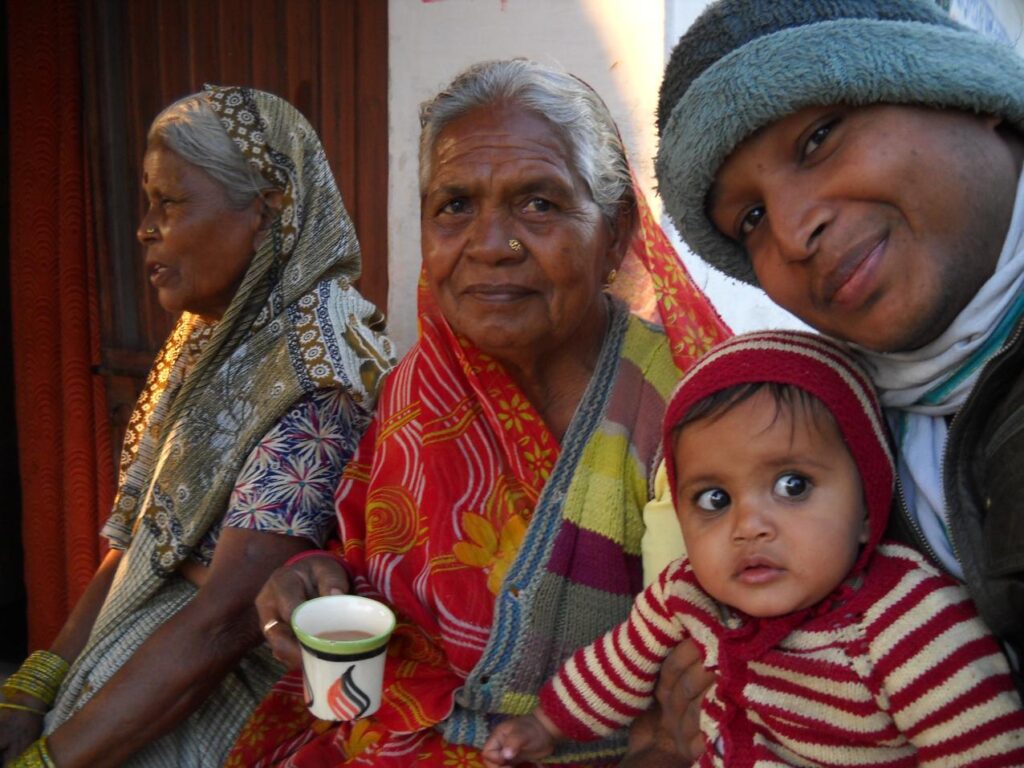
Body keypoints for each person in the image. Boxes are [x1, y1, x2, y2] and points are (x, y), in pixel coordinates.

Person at [225, 58, 730, 767]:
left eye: (539, 204)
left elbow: (714, 677)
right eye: (455, 206)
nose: (490, 246)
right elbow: (384, 570)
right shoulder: (416, 388)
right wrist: (318, 577)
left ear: (615, 234)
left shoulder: (690, 409)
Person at [638, 0, 1024, 763]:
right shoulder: (838, 420)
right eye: (748, 219)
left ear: (968, 94)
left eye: (818, 137)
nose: (791, 230)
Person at [0, 86, 395, 767]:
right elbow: (146, 530)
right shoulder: (211, 335)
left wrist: (52, 760)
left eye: (170, 203)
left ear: (269, 211)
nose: (146, 227)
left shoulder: (318, 374)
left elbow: (224, 624)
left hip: (216, 716)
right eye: (149, 203)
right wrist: (37, 684)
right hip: (129, 687)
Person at [485, 330, 1024, 768]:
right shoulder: (687, 592)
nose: (748, 526)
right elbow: (614, 666)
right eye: (715, 499)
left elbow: (986, 752)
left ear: (866, 505)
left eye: (793, 486)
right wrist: (545, 725)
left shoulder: (908, 625)